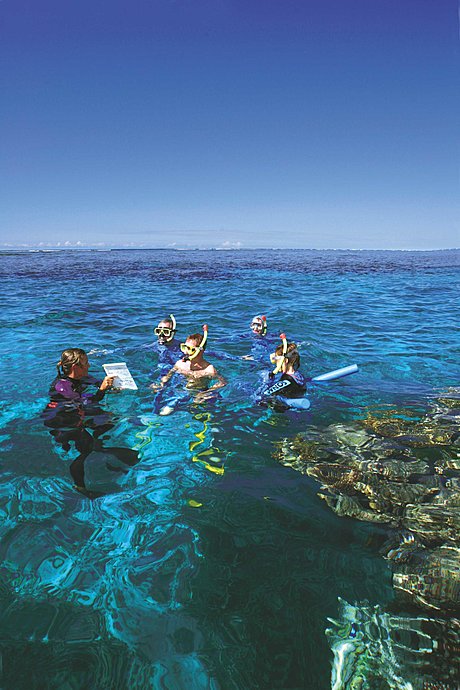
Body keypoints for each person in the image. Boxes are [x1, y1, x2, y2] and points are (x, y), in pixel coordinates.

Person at [43, 348, 138, 493]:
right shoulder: (61, 386)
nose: (89, 366)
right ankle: (80, 485)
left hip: (78, 414)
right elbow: (85, 402)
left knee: (108, 423)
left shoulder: (83, 378)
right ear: (75, 367)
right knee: (84, 452)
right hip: (62, 421)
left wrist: (112, 386)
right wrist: (101, 391)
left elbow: (98, 385)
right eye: (86, 363)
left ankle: (101, 453)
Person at [151, 326, 227, 414]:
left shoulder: (209, 369)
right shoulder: (180, 364)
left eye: (190, 349)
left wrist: (206, 393)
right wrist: (161, 384)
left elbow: (223, 383)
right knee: (165, 411)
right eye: (184, 347)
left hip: (200, 392)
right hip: (182, 391)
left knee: (213, 408)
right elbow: (169, 375)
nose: (185, 352)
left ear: (201, 351)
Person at [259, 337, 309, 411]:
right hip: (298, 399)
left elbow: (265, 394)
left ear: (285, 361)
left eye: (276, 359)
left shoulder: (286, 380)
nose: (275, 362)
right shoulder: (298, 374)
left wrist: (268, 380)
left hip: (287, 407)